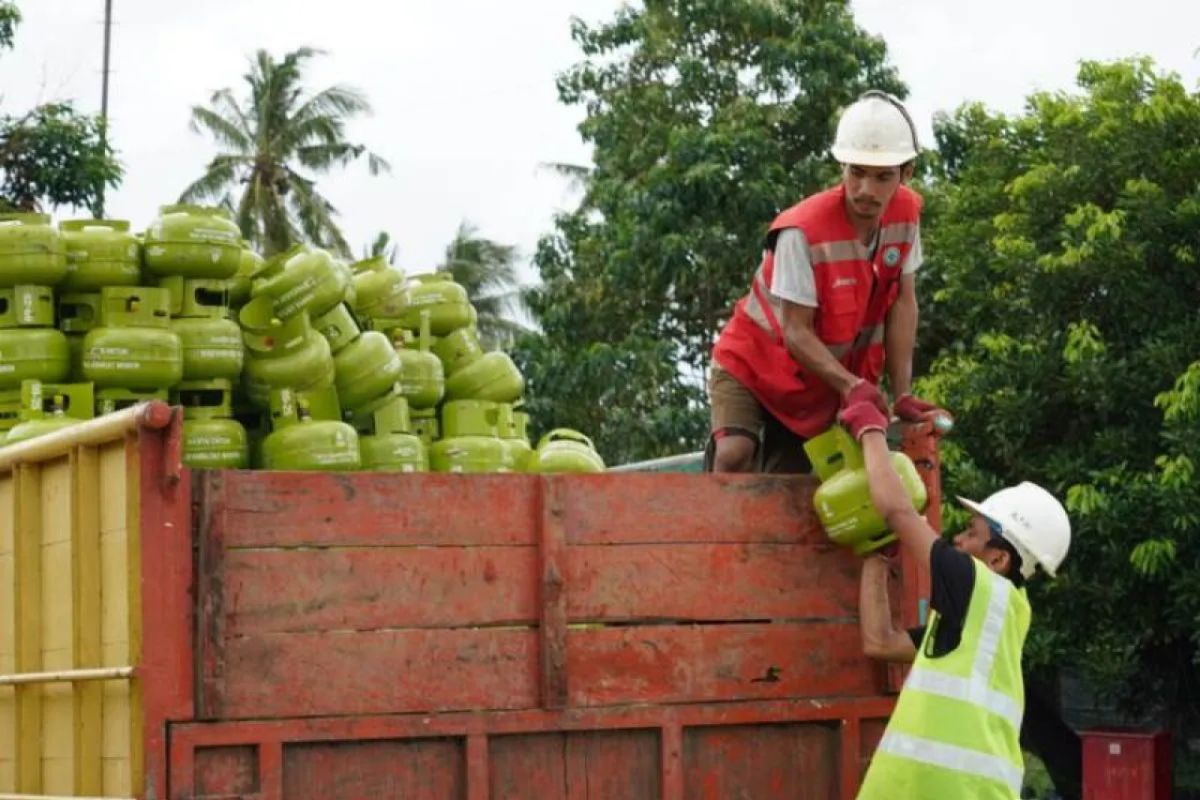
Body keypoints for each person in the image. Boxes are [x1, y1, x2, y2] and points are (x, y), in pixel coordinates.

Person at [838, 399, 1072, 799]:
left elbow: (897, 510)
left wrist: (869, 430)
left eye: (971, 533)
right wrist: (876, 554)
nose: (957, 541)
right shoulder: (996, 614)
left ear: (998, 558)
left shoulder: (979, 586)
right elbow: (880, 642)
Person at [707, 90, 945, 474]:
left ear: (907, 173)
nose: (866, 190)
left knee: (795, 493)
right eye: (857, 173)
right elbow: (796, 332)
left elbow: (903, 303)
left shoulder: (907, 216)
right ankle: (711, 531)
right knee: (735, 453)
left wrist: (902, 394)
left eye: (882, 177)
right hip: (754, 364)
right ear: (842, 168)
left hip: (818, 387)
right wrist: (852, 386)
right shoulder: (801, 231)